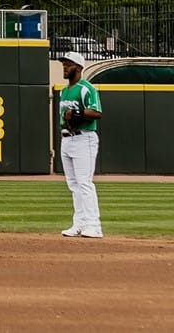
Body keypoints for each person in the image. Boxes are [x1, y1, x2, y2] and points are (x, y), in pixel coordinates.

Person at [57, 50, 104, 238]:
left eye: (68, 64)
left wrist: (76, 114)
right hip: (67, 138)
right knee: (73, 184)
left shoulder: (86, 88)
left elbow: (97, 112)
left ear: (78, 67)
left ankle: (94, 225)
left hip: (84, 138)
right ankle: (79, 223)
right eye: (63, 64)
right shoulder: (63, 90)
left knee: (84, 183)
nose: (65, 67)